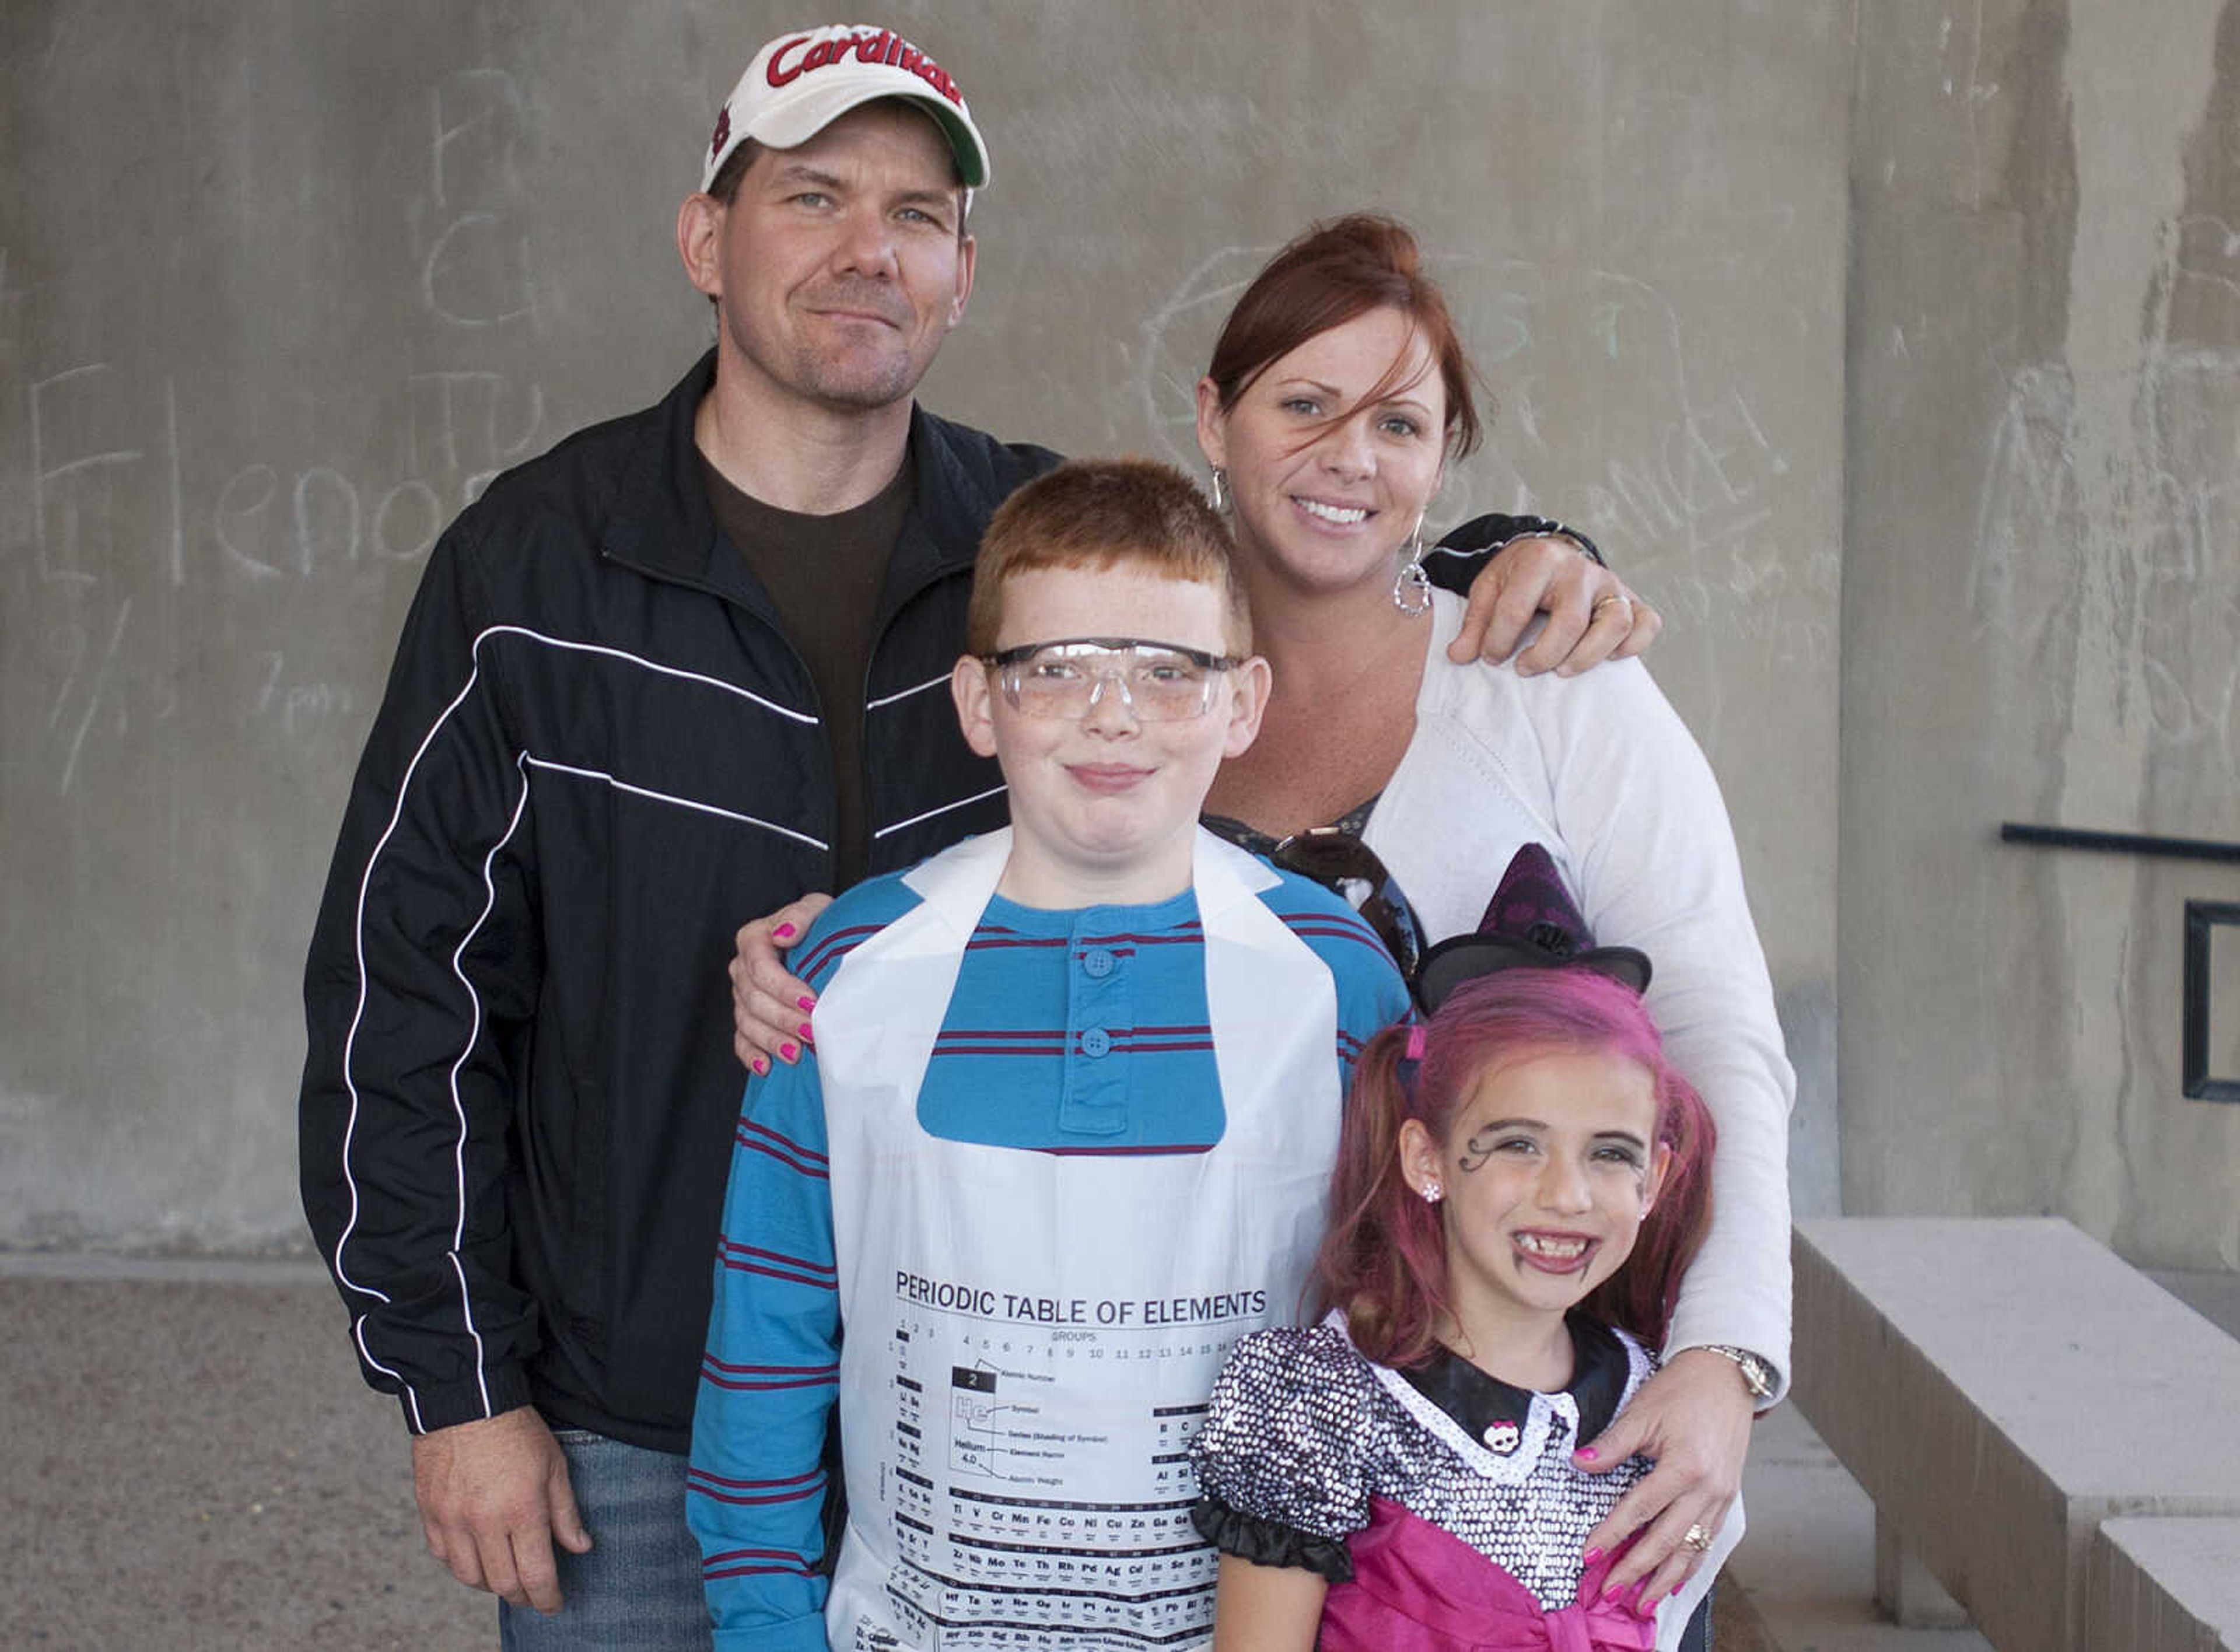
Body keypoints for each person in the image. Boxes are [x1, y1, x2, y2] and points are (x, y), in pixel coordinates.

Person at [297, 21, 1648, 1646]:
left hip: (1061, 1444)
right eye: (814, 196)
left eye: (919, 215)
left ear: (963, 272)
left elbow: (1286, 534)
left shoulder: (1028, 541)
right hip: (641, 1422)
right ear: (704, 238)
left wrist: (1514, 547)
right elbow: (401, 1004)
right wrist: (457, 1392)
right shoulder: (531, 576)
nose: (870, 249)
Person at [734, 213, 1792, 1611]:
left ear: (1439, 461)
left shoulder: (1551, 675)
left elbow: (1715, 1032)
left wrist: (1726, 1360)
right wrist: (809, 957)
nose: (1348, 456)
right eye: (1303, 404)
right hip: (1210, 1473)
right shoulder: (1130, 673)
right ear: (1212, 419)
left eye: (1398, 423)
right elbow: (958, 921)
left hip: (1536, 1445)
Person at [688, 458, 1413, 1651]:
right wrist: (763, 1621)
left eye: (1171, 673)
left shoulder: (1336, 978)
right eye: (1055, 669)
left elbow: (1393, 1323)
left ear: (1245, 702)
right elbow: (769, 1330)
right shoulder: (850, 969)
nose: (1112, 715)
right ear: (980, 703)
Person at [1190, 960, 1729, 1651]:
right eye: (1519, 1144)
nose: (1569, 1195)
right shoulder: (1319, 1396)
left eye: (1609, 1154)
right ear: (1427, 1159)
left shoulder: (1657, 1404)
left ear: (1653, 1179)